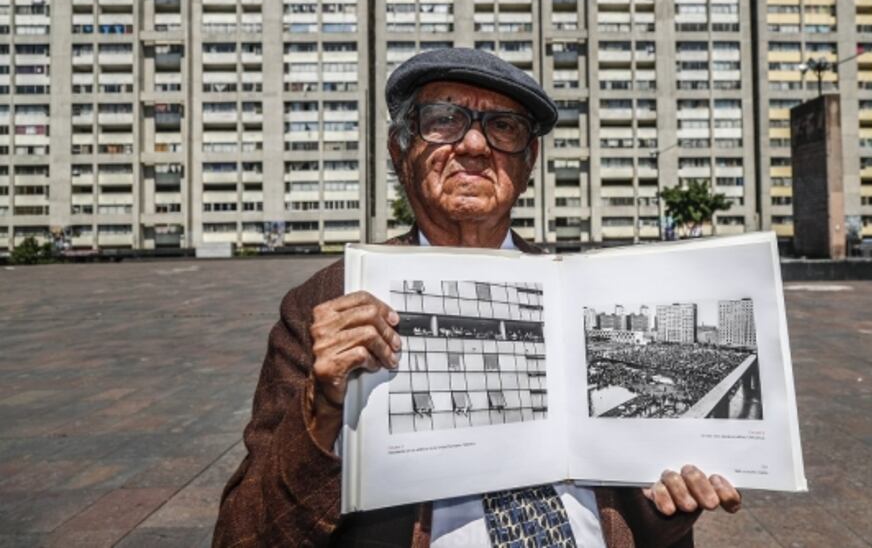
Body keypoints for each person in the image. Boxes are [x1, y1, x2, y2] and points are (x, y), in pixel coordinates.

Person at [213, 48, 741, 547]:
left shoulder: (586, 292)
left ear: (528, 160)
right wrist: (320, 408)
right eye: (443, 119)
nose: (473, 145)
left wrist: (672, 498)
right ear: (401, 150)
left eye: (503, 127)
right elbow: (244, 534)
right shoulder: (326, 303)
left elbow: (642, 518)